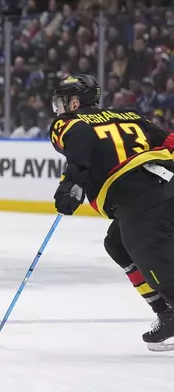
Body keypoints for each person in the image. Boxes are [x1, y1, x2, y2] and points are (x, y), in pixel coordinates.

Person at [49, 73, 174, 351]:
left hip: (139, 199)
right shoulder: (128, 115)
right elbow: (169, 141)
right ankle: (165, 312)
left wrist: (70, 186)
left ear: (74, 103)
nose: (59, 108)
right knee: (116, 243)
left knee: (158, 262)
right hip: (166, 183)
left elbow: (79, 147)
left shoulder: (68, 123)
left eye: (63, 101)